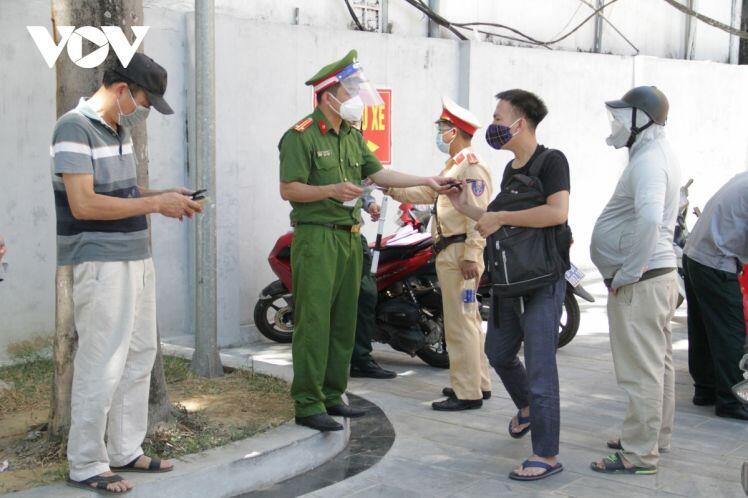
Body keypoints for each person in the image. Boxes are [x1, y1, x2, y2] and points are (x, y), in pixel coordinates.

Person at [278, 49, 452, 432]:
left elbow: (382, 174)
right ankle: (308, 403)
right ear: (328, 96)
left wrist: (427, 180)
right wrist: (329, 191)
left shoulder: (352, 137)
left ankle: (331, 396)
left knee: (344, 322)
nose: (355, 97)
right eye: (349, 89)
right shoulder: (300, 137)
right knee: (315, 323)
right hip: (317, 238)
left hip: (350, 239)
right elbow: (288, 188)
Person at [54, 53, 203, 494]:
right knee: (101, 362)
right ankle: (85, 463)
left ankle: (123, 449)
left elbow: (122, 193)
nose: (143, 110)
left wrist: (163, 193)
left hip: (135, 258)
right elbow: (84, 204)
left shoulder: (117, 128)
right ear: (122, 90)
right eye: (143, 100)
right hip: (100, 262)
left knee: (138, 356)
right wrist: (156, 205)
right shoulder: (73, 128)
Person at [446, 89, 570, 480]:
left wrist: (501, 220)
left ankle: (547, 455)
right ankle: (529, 407)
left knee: (540, 366)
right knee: (498, 352)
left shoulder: (552, 161)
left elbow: (557, 212)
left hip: (543, 281)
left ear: (520, 123)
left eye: (499, 118)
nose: (494, 125)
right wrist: (467, 208)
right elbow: (496, 218)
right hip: (510, 279)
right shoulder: (510, 170)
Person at [590, 86, 680, 475]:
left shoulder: (648, 161)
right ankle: (653, 436)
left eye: (622, 115)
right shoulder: (652, 154)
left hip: (642, 281)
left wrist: (628, 271)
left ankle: (639, 454)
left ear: (640, 119)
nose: (615, 123)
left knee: (640, 369)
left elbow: (649, 218)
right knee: (657, 363)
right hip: (656, 278)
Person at [388, 96, 493, 411]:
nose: (439, 132)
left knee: (460, 324)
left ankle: (467, 393)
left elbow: (480, 213)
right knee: (467, 320)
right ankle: (478, 383)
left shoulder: (471, 164)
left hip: (461, 253)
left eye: (443, 127)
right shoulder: (454, 166)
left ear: (456, 131)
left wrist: (473, 254)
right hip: (452, 251)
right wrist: (388, 185)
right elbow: (426, 192)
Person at [682, 171, 748, 420]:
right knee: (730, 330)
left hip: (696, 254)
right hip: (715, 260)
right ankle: (732, 400)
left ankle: (706, 389)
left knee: (704, 327)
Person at [350, 191, 397, 379]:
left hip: (354, 235)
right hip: (328, 237)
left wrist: (369, 203)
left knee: (366, 296)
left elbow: (359, 189)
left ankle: (360, 359)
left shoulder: (356, 161)